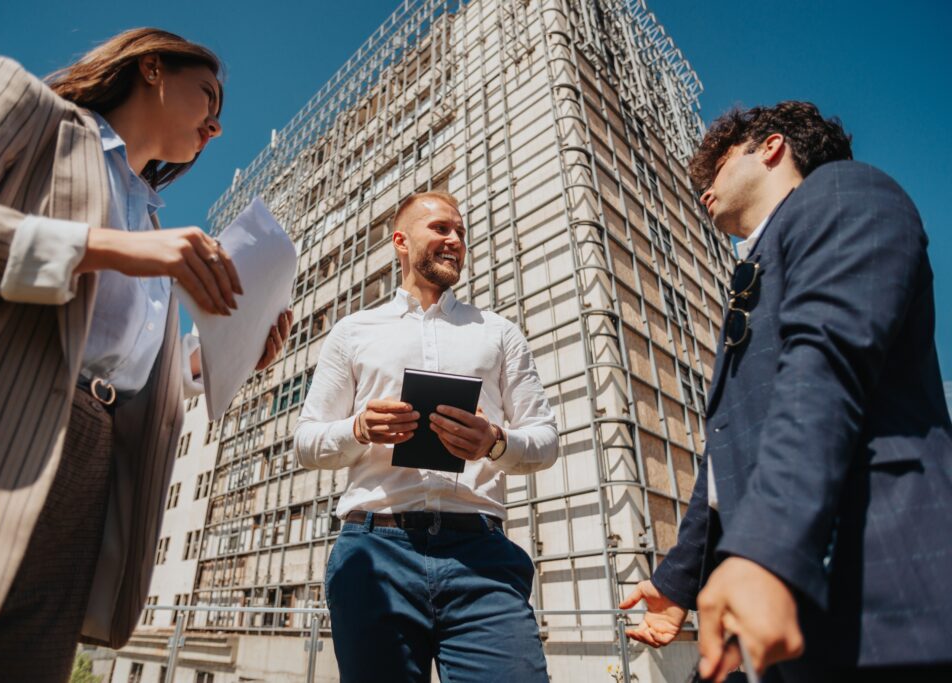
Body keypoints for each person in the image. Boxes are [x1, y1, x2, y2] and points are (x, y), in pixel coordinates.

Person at [0, 29, 292, 682]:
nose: (215, 126)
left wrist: (224, 353)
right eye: (206, 95)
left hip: (91, 467)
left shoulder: (153, 227)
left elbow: (118, 359)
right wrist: (101, 246)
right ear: (151, 67)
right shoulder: (22, 103)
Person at [619, 101, 952, 681]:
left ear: (770, 147)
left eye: (717, 165)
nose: (703, 188)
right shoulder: (758, 269)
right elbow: (731, 455)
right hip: (789, 614)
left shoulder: (843, 193)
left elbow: (824, 369)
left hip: (882, 596)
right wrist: (678, 584)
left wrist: (765, 551)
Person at [294, 191, 559, 682]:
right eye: (440, 229)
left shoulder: (498, 333)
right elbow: (306, 442)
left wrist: (495, 442)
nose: (455, 240)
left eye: (460, 232)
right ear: (401, 241)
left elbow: (545, 439)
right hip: (376, 552)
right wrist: (358, 428)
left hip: (481, 558)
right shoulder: (354, 331)